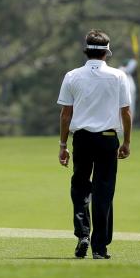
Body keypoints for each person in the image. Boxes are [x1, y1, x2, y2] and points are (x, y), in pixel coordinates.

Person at [57, 29, 132, 260]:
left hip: (81, 139)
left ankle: (83, 235)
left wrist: (62, 144)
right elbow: (126, 113)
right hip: (108, 138)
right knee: (104, 191)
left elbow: (65, 115)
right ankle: (100, 248)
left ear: (86, 50)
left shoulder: (72, 76)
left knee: (80, 187)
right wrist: (127, 142)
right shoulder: (118, 76)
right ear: (107, 53)